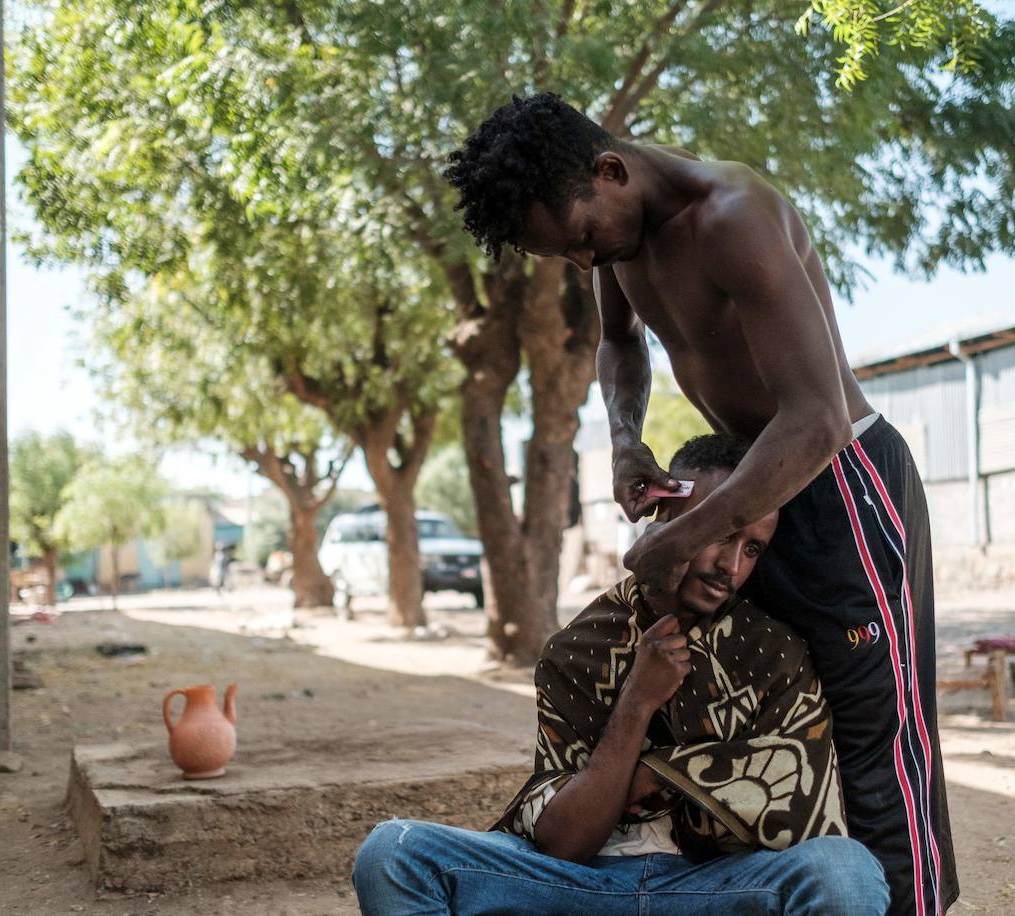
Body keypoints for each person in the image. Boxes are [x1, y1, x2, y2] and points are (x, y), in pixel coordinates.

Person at [445, 93, 956, 915]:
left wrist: (680, 536)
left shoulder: (733, 216)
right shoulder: (618, 238)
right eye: (566, 257)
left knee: (876, 734)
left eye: (579, 239)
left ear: (610, 172)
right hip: (752, 485)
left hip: (841, 484)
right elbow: (620, 343)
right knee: (789, 717)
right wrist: (623, 437)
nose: (582, 263)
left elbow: (817, 419)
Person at [353, 434, 888, 916]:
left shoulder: (773, 651)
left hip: (714, 888)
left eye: (753, 548)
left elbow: (799, 795)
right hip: (574, 886)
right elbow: (565, 842)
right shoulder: (578, 649)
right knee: (393, 854)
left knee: (844, 870)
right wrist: (636, 702)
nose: (733, 565)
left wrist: (659, 772)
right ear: (666, 516)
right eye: (720, 533)